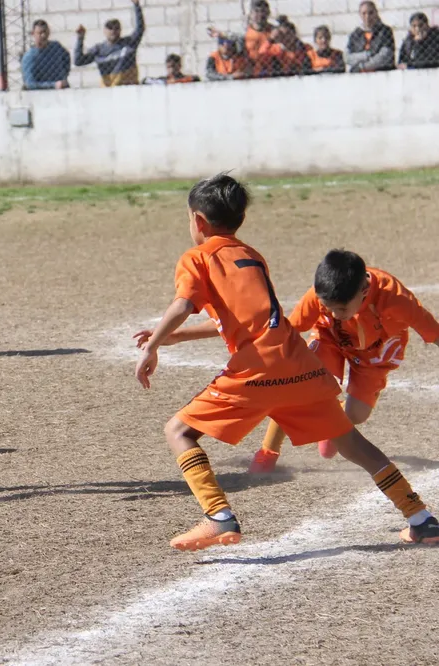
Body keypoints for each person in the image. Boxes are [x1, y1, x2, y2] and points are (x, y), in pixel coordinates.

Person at [132, 173, 439, 551]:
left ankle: (218, 516)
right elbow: (263, 320)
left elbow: (182, 305)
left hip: (257, 367)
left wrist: (154, 345)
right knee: (352, 443)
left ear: (198, 221)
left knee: (178, 431)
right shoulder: (251, 256)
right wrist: (176, 337)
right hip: (299, 363)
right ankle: (421, 519)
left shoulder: (196, 257)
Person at [250, 251, 439, 472]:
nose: (333, 312)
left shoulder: (395, 298)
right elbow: (288, 331)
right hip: (330, 338)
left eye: (341, 309)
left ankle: (333, 419)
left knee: (358, 414)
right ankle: (267, 452)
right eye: (328, 307)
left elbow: (434, 333)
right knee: (300, 386)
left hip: (374, 355)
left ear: (365, 292)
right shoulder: (320, 297)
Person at [74, 0, 145, 87]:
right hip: (108, 91)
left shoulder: (128, 43)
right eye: (110, 28)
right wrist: (80, 38)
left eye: (116, 28)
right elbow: (78, 61)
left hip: (128, 88)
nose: (113, 31)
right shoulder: (99, 50)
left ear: (120, 30)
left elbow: (140, 29)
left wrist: (136, 5)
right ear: (104, 31)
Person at [346, 1, 396, 73]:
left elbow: (384, 56)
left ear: (376, 13)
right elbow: (347, 57)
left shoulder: (385, 31)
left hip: (381, 74)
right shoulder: (356, 34)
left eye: (371, 13)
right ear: (359, 15)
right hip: (359, 75)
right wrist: (366, 55)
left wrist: (362, 66)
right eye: (364, 13)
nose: (367, 16)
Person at [21, 19, 71, 90]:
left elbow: (66, 58)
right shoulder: (30, 57)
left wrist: (64, 76)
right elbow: (30, 84)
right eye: (40, 33)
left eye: (45, 32)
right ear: (33, 34)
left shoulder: (56, 47)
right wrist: (53, 85)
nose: (43, 35)